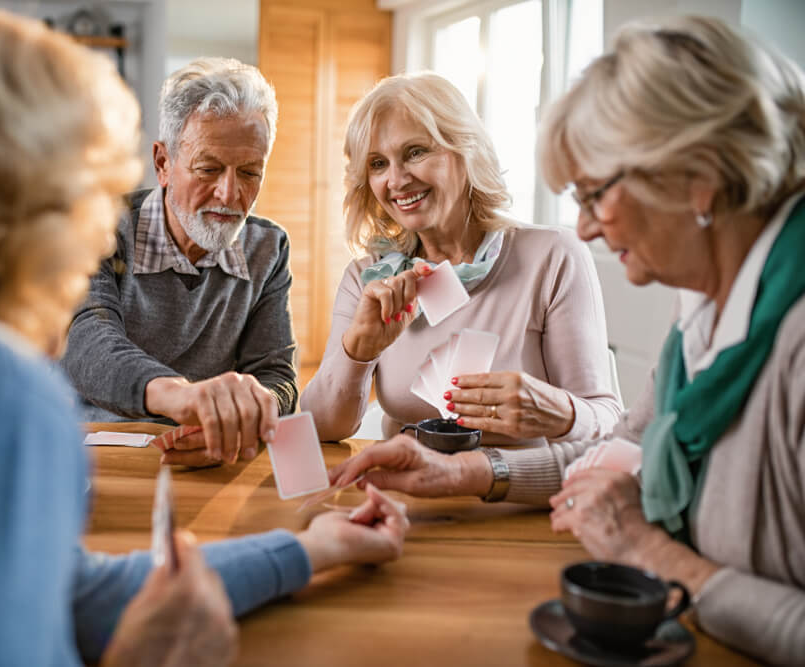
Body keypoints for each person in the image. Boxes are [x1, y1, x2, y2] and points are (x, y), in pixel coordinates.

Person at [0, 6, 409, 666]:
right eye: (85, 190)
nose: (96, 228)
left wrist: (308, 548)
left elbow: (67, 590)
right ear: (2, 190)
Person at [329, 16, 805, 664]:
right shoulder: (697, 311)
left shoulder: (789, 341)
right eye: (379, 163)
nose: (583, 228)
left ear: (697, 176)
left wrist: (652, 552)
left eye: (596, 193)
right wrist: (462, 471)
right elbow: (619, 452)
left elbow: (607, 439)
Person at [300, 72, 622, 446]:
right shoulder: (367, 278)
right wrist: (358, 351)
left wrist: (557, 410)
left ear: (465, 150)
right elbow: (319, 429)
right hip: (402, 494)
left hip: (518, 495)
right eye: (377, 164)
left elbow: (606, 421)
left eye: (415, 152)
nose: (396, 180)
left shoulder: (552, 257)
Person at [61, 57, 296, 467]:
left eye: (249, 172)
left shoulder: (268, 248)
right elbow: (86, 339)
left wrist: (241, 418)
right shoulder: (100, 225)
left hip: (204, 457)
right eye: (208, 169)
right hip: (92, 449)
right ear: (163, 163)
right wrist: (184, 396)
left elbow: (277, 378)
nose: (229, 193)